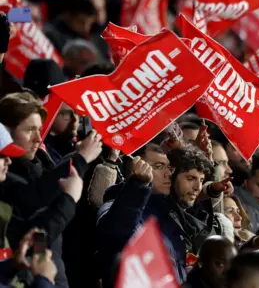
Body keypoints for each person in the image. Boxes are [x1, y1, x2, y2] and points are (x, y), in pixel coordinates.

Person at [0, 94, 102, 288]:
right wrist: (70, 196)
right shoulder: (7, 180)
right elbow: (39, 226)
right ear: (7, 131)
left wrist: (45, 268)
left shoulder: (38, 162)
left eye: (39, 129)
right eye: (29, 130)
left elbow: (40, 234)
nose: (38, 138)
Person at [97, 147, 230, 286]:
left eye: (169, 167)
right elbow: (116, 237)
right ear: (135, 168)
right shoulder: (114, 205)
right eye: (159, 166)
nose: (168, 174)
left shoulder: (169, 212)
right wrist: (138, 184)